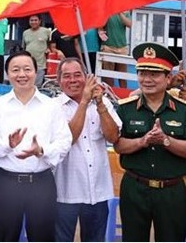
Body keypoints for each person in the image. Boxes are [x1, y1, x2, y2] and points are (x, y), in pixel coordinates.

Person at [0, 50, 72, 241]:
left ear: (36, 72)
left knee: (43, 237)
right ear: (7, 74)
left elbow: (64, 141)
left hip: (41, 183)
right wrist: (7, 145)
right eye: (15, 70)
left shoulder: (51, 106)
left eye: (27, 69)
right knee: (4, 236)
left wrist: (42, 150)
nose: (21, 74)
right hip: (7, 183)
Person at [114, 42, 186, 241]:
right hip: (134, 186)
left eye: (154, 74)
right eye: (142, 73)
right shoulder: (127, 108)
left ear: (168, 78)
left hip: (172, 191)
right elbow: (117, 144)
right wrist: (142, 141)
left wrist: (165, 140)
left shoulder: (185, 109)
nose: (147, 79)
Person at [53, 58, 121, 242]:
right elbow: (69, 138)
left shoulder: (103, 103)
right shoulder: (53, 107)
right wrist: (84, 101)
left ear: (87, 77)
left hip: (97, 191)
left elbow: (113, 137)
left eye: (78, 75)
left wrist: (99, 104)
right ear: (59, 81)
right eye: (67, 76)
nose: (73, 80)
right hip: (64, 191)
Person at [99, 11, 132, 88]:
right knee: (108, 77)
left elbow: (129, 24)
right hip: (108, 47)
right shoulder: (106, 11)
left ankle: (125, 97)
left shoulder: (125, 11)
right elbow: (101, 25)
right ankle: (109, 96)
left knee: (123, 76)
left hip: (122, 47)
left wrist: (120, 12)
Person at [22, 14, 51, 86]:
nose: (33, 22)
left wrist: (48, 49)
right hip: (28, 64)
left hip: (41, 64)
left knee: (38, 86)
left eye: (35, 20)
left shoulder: (46, 31)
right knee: (27, 84)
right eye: (31, 20)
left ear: (40, 21)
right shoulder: (25, 33)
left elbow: (51, 44)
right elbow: (23, 47)